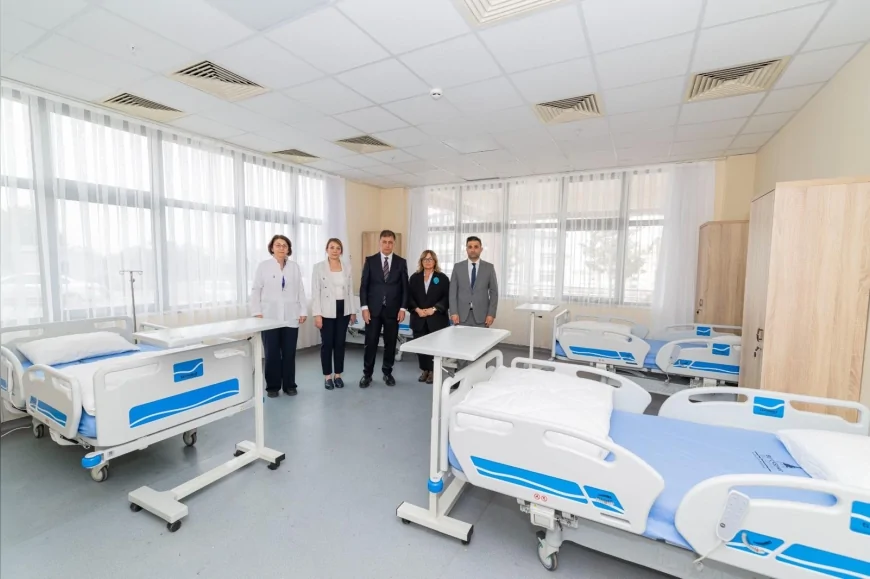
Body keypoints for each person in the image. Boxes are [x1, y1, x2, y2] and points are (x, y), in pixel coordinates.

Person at [250, 234, 307, 398]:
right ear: (272, 248)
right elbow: (256, 289)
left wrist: (303, 311)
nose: (281, 248)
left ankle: (289, 385)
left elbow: (300, 289)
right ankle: (273, 387)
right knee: (272, 353)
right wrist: (256, 311)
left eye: (284, 245)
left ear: (288, 249)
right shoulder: (264, 266)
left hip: (291, 315)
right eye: (278, 245)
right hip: (269, 316)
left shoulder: (294, 267)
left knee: (289, 353)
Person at [359, 229, 409, 388]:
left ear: (394, 244)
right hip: (373, 310)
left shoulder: (401, 262)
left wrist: (403, 308)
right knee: (370, 342)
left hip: (393, 311)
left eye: (390, 242)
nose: (387, 245)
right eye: (384, 242)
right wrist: (364, 307)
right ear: (379, 243)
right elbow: (364, 286)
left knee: (390, 343)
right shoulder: (370, 261)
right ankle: (367, 374)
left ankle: (387, 372)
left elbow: (405, 288)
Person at [311, 238, 357, 391]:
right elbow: (315, 292)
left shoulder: (347, 267)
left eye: (338, 248)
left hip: (343, 308)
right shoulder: (318, 267)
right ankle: (327, 376)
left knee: (340, 343)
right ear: (327, 249)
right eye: (332, 247)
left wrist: (352, 311)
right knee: (327, 344)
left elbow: (350, 290)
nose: (335, 250)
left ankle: (338, 375)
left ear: (341, 251)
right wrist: (317, 314)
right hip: (326, 310)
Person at [408, 250, 450, 384]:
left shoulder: (442, 278)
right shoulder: (414, 278)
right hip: (418, 318)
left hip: (436, 319)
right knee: (421, 347)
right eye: (425, 259)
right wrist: (417, 309)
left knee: (434, 347)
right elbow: (408, 297)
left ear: (435, 261)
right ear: (421, 261)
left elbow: (447, 298)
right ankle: (424, 370)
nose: (427, 261)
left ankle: (433, 371)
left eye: (430, 259)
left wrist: (434, 309)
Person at [449, 236, 499, 328]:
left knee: (481, 338)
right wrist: (453, 312)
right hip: (460, 316)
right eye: (470, 247)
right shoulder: (457, 267)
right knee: (461, 338)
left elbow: (494, 293)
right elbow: (452, 292)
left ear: (481, 249)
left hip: (482, 316)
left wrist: (491, 314)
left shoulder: (489, 268)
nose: (473, 250)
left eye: (476, 247)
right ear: (466, 249)